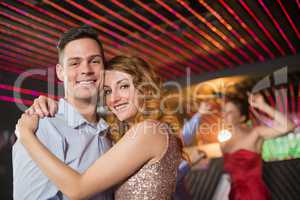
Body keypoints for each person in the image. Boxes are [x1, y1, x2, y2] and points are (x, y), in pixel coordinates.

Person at [16, 55, 183, 200]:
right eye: (108, 91)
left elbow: (77, 189)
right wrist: (57, 107)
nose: (114, 98)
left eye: (124, 86)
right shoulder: (146, 132)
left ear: (145, 89)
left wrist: (27, 137)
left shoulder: (147, 132)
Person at [12, 26, 113, 200]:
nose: (86, 70)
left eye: (94, 61)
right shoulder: (42, 128)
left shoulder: (109, 131)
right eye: (75, 63)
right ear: (60, 72)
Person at [220, 94, 295, 200]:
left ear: (242, 117)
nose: (224, 115)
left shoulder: (255, 132)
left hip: (254, 194)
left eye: (230, 112)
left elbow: (289, 126)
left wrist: (263, 106)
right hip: (235, 195)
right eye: (223, 111)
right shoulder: (223, 142)